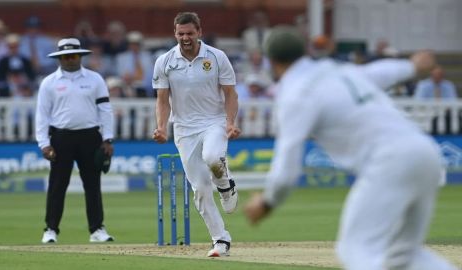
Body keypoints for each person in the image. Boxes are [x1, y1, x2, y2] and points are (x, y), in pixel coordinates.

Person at [244, 26, 458, 270]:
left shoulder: (295, 94)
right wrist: (412, 67)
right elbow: (378, 73)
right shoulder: (336, 70)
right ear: (305, 52)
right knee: (404, 256)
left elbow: (287, 167)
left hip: (388, 161)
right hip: (425, 152)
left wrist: (267, 202)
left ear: (271, 61)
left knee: (356, 249)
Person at [152, 12, 240, 257]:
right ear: (175, 34)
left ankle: (225, 184)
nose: (185, 38)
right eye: (180, 34)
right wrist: (161, 127)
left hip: (214, 122)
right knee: (200, 189)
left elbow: (231, 94)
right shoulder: (165, 61)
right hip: (184, 129)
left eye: (190, 33)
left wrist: (230, 123)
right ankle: (220, 241)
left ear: (199, 32)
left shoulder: (216, 57)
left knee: (213, 157)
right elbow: (162, 100)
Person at [35, 37, 115, 244]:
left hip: (90, 136)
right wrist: (44, 143)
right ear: (59, 59)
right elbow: (42, 115)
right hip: (61, 137)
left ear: (80, 56)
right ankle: (51, 229)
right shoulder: (49, 82)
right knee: (57, 185)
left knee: (92, 184)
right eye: (65, 56)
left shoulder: (95, 79)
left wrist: (108, 139)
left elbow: (105, 110)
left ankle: (97, 229)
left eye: (73, 55)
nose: (70, 59)